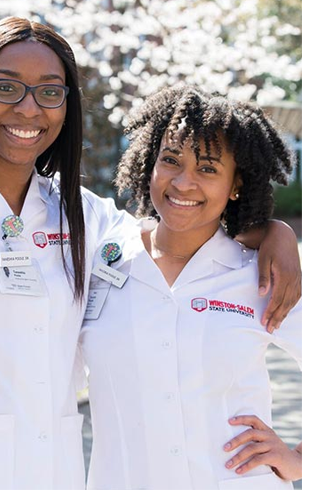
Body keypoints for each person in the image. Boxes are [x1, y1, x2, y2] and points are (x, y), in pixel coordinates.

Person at [0, 18, 300, 490]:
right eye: (7, 87)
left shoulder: (81, 216)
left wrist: (272, 232)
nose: (29, 109)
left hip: (51, 477)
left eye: (49, 91)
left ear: (66, 108)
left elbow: (176, 231)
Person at [79, 86, 302, 489]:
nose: (184, 182)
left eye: (208, 169)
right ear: (149, 163)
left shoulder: (262, 276)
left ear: (236, 185)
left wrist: (299, 460)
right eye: (170, 160)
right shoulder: (103, 256)